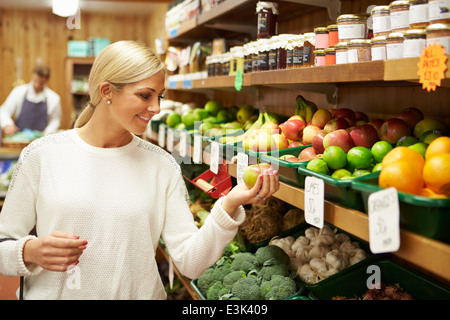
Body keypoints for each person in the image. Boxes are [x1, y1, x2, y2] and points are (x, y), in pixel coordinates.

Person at [0, 40, 280, 300]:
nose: (156, 108)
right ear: (107, 91)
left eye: (160, 96)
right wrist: (30, 251)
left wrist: (229, 203)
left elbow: (191, 263)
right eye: (145, 95)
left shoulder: (161, 165)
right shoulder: (42, 155)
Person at [0, 64, 62, 136]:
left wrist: (48, 131)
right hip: (20, 138)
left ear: (47, 80)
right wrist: (7, 124)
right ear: (33, 76)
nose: (37, 85)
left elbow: (55, 120)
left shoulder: (54, 98)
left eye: (41, 83)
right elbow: (4, 110)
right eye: (36, 81)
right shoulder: (19, 91)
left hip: (41, 139)